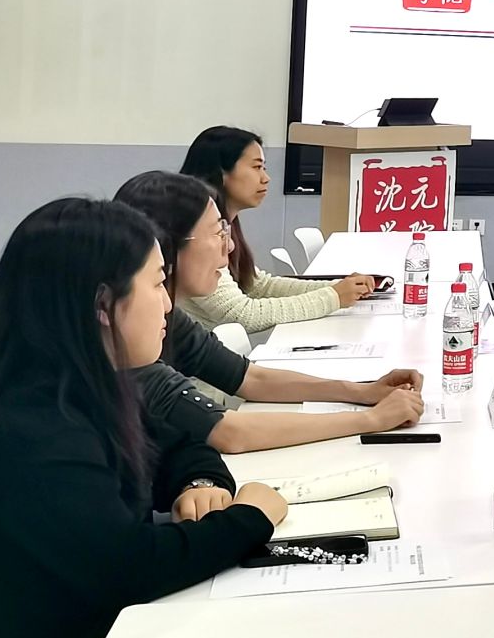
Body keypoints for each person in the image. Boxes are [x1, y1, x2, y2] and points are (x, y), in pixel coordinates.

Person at [0, 200, 287, 638]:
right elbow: (127, 572)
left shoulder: (77, 382)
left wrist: (199, 483)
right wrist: (248, 519)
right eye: (157, 284)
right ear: (103, 306)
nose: (168, 304)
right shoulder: (29, 427)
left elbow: (177, 444)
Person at [115, 171, 426, 453]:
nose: (229, 247)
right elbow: (230, 432)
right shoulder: (128, 344)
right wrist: (371, 420)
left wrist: (362, 391)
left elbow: (251, 378)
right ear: (167, 245)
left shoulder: (169, 320)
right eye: (217, 233)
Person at [178, 125, 376, 332]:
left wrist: (337, 287)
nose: (266, 178)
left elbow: (258, 286)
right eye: (256, 167)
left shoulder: (223, 222)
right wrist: (333, 297)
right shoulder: (195, 226)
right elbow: (240, 314)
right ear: (221, 172)